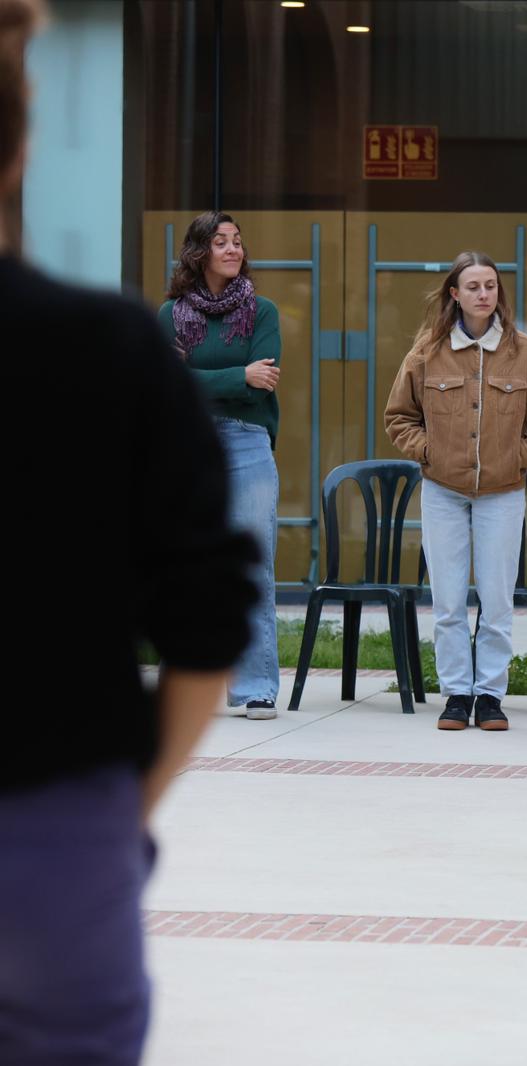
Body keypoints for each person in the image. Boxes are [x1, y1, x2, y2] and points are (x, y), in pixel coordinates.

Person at [0, 2, 259, 1061]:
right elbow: (207, 620)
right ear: (19, 146)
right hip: (50, 835)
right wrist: (121, 807)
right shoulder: (105, 349)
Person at [385, 252, 527, 731]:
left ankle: (489, 694)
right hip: (443, 490)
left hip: (503, 492)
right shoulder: (427, 351)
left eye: (490, 286)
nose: (483, 294)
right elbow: (398, 416)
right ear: (455, 294)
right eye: (473, 286)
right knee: (447, 600)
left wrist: (520, 456)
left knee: (496, 597)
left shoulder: (524, 352)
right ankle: (455, 695)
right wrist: (430, 452)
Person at [157, 211, 283, 718]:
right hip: (187, 444)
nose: (233, 250)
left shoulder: (263, 312)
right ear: (199, 252)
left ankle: (254, 686)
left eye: (238, 242)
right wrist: (237, 377)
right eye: (221, 242)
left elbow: (265, 379)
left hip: (249, 444)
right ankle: (185, 685)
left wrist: (202, 380)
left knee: (252, 566)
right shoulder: (169, 316)